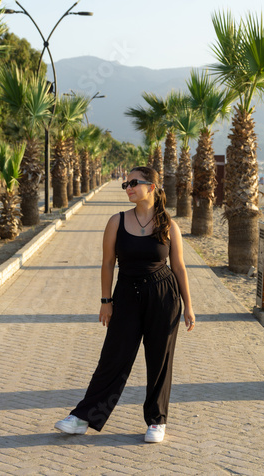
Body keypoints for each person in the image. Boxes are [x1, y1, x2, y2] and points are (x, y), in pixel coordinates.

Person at [55, 166, 195, 443]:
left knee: (159, 360)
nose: (128, 187)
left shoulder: (169, 224)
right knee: (113, 357)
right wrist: (106, 301)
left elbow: (178, 267)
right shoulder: (116, 221)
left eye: (133, 183)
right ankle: (83, 418)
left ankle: (156, 421)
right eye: (126, 184)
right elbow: (108, 263)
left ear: (151, 187)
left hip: (164, 296)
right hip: (126, 295)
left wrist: (188, 306)